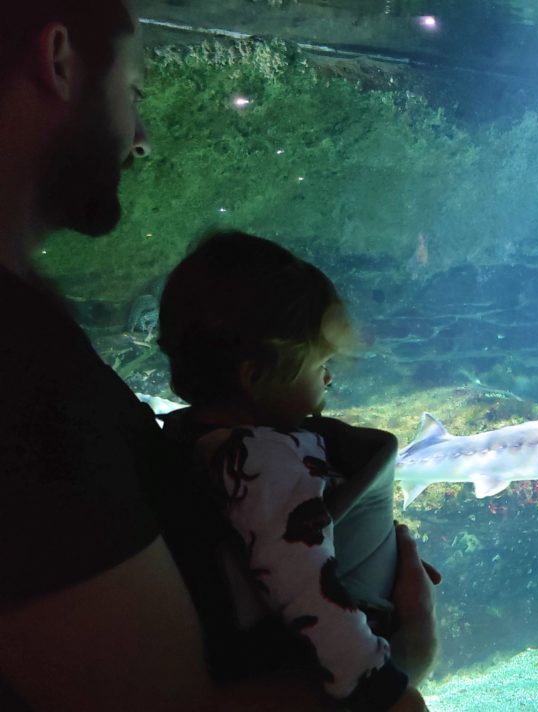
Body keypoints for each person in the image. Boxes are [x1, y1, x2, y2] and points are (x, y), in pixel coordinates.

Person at [0, 2, 437, 709]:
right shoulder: (25, 377)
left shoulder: (50, 359)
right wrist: (402, 668)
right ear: (58, 60)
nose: (140, 139)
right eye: (134, 92)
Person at [156, 230, 439, 710]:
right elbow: (306, 585)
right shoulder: (258, 459)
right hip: (313, 670)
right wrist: (383, 690)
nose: (329, 377)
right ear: (255, 376)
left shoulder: (188, 440)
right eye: (320, 363)